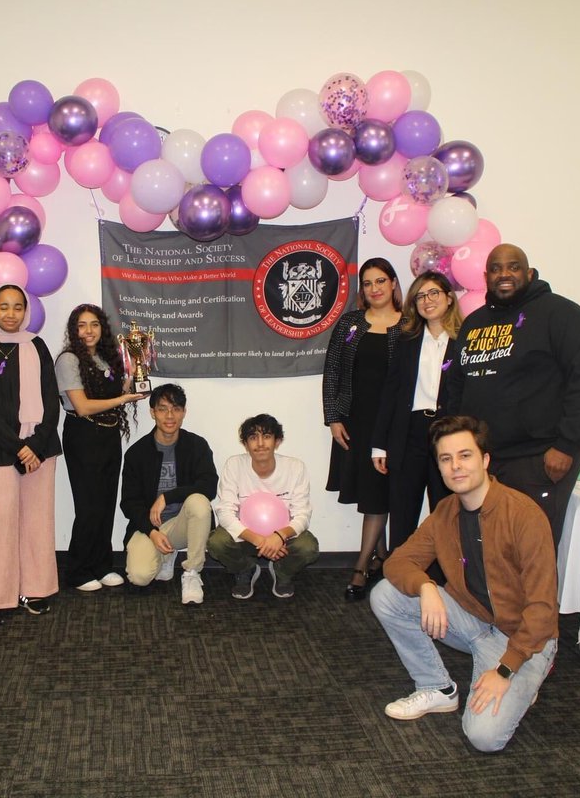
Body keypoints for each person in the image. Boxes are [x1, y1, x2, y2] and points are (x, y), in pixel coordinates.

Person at [369, 415, 558, 753]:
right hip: (473, 620)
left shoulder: (524, 516)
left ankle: (529, 675)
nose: (456, 466)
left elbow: (543, 608)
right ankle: (438, 689)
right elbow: (398, 562)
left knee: (484, 737)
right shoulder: (446, 512)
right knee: (387, 595)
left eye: (465, 455)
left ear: (485, 460)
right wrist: (426, 587)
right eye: (446, 459)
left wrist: (504, 669)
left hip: (524, 638)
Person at [445, 243, 580, 544]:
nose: (504, 274)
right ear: (485, 276)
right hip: (487, 460)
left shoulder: (560, 314)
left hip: (540, 457)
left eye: (513, 267)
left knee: (532, 547)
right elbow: (456, 382)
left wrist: (567, 445)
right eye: (495, 268)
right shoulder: (474, 324)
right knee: (488, 543)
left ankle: (538, 595)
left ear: (529, 273)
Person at [0, 284, 61, 621]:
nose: (11, 314)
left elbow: (52, 401)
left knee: (37, 521)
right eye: (4, 307)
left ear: (26, 311)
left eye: (17, 307)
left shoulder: (37, 346)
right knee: (0, 523)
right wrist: (19, 447)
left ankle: (33, 589)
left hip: (40, 448)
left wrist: (33, 445)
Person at [322, 257, 404, 601]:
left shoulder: (410, 325)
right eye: (368, 283)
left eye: (381, 281)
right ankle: (381, 557)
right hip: (356, 421)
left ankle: (360, 565)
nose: (374, 289)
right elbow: (333, 373)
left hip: (394, 424)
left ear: (394, 284)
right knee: (373, 492)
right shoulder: (351, 324)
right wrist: (333, 418)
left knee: (377, 494)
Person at [371, 272, 463, 558]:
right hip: (409, 433)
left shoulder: (466, 341)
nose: (427, 301)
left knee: (447, 513)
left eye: (434, 293)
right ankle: (400, 579)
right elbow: (390, 394)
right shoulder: (406, 341)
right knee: (403, 514)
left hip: (449, 434)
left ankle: (447, 582)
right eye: (421, 296)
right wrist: (379, 444)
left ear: (449, 298)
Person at [55, 304, 144, 592]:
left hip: (108, 435)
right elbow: (81, 407)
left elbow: (115, 392)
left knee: (106, 503)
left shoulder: (106, 358)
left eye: (94, 324)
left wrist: (132, 379)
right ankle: (79, 570)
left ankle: (103, 564)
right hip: (83, 436)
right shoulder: (68, 360)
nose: (89, 331)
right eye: (82, 325)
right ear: (73, 330)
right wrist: (123, 400)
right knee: (89, 506)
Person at [119, 383, 218, 604]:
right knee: (139, 577)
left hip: (182, 524)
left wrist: (168, 497)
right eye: (163, 409)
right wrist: (151, 532)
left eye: (176, 409)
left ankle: (192, 573)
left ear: (184, 412)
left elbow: (209, 485)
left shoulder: (196, 445)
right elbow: (129, 503)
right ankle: (166, 553)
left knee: (199, 503)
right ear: (153, 412)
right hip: (150, 527)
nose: (170, 416)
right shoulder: (137, 453)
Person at [208, 414, 320, 599]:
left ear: (277, 441)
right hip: (246, 537)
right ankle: (245, 570)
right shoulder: (234, 465)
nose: (260, 443)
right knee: (216, 542)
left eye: (267, 436)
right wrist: (259, 540)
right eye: (253, 437)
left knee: (308, 546)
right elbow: (225, 513)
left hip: (281, 539)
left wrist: (278, 536)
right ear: (245, 444)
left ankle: (282, 572)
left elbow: (303, 515)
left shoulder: (295, 467)